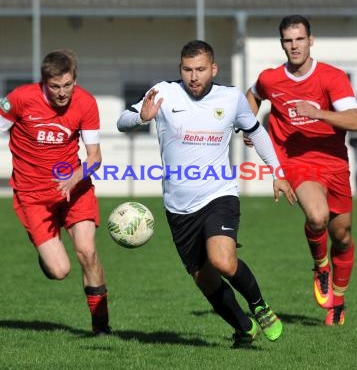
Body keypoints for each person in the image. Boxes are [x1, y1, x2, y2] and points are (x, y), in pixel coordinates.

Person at [117, 40, 294, 348]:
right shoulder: (163, 92)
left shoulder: (231, 98)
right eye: (187, 70)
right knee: (205, 279)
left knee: (223, 261)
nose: (194, 76)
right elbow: (122, 121)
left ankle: (260, 306)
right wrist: (142, 117)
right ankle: (243, 328)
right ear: (180, 69)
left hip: (219, 194)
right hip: (178, 207)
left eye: (200, 69)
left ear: (214, 69)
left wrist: (277, 172)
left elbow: (256, 132)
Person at [0, 50, 111, 335]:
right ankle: (46, 251)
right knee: (59, 271)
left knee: (87, 252)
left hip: (74, 190)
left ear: (75, 80)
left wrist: (76, 176)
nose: (62, 93)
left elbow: (94, 156)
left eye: (68, 85)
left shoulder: (85, 103)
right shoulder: (21, 99)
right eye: (55, 87)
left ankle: (101, 326)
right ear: (44, 83)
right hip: (32, 196)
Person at [245, 15, 357, 326]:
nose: (294, 46)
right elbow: (253, 95)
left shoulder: (332, 77)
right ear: (282, 43)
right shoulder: (271, 78)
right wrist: (249, 124)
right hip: (296, 162)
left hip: (335, 163)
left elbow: (356, 121)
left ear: (311, 40)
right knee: (316, 216)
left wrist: (318, 113)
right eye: (288, 40)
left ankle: (337, 302)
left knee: (343, 236)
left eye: (299, 39)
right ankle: (320, 266)